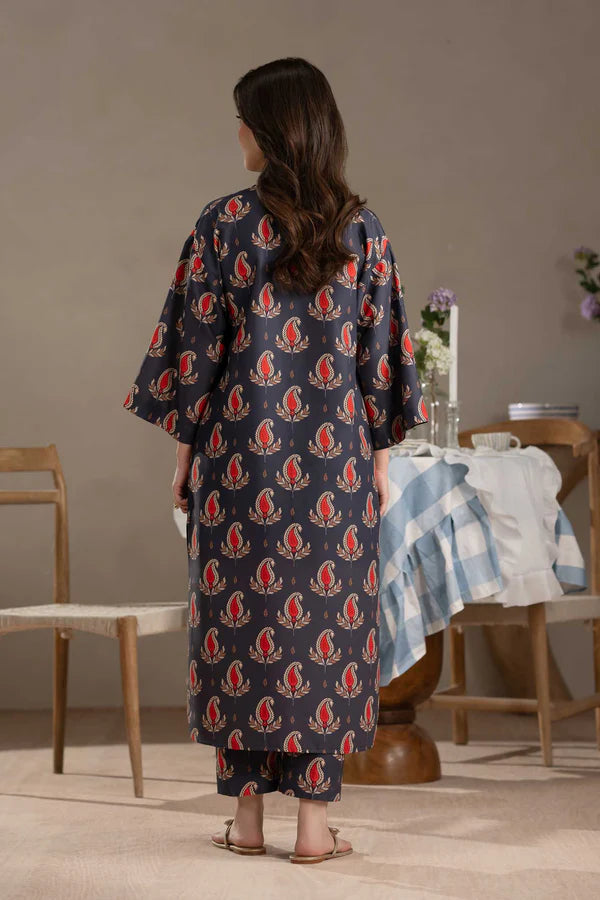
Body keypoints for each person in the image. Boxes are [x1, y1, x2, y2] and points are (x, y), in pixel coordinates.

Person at [123, 56, 428, 864]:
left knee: (239, 633)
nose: (236, 133)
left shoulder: (221, 224)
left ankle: (248, 820)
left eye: (244, 119)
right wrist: (380, 462)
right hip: (336, 474)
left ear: (271, 129)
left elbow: (196, 354)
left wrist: (184, 458)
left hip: (239, 468)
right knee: (327, 635)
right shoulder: (363, 231)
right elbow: (381, 362)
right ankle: (314, 829)